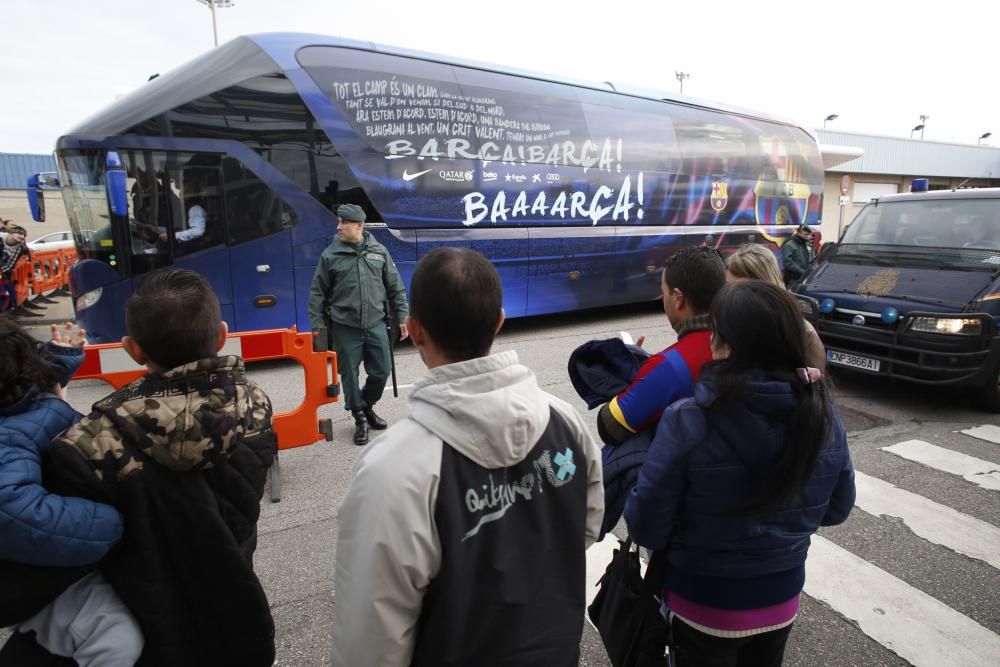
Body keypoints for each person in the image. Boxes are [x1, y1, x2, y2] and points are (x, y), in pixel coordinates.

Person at [331, 248, 604, 666]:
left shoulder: (392, 469)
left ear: (414, 330)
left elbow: (370, 641)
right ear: (499, 320)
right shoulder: (564, 421)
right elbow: (584, 527)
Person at [37, 268, 277, 666]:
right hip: (235, 606)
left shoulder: (91, 439)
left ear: (132, 349)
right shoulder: (254, 404)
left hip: (144, 626)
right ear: (221, 335)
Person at [625, 281, 856, 667]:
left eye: (716, 333)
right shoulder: (823, 414)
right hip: (781, 600)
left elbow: (646, 525)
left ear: (726, 346)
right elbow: (837, 509)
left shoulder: (689, 419)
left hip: (701, 602)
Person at [0, 320, 143, 667]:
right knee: (117, 639)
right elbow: (13, 512)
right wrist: (110, 521)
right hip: (34, 569)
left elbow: (33, 400)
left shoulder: (18, 406)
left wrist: (60, 360)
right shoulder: (8, 436)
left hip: (41, 563)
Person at [597, 246, 725, 447]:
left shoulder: (670, 365)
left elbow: (609, 426)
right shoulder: (743, 338)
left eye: (663, 291)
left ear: (678, 298)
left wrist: (634, 374)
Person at [308, 203, 409, 446]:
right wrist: (318, 327)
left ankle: (367, 405)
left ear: (360, 225)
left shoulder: (379, 251)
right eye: (339, 222)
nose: (339, 227)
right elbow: (317, 295)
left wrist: (403, 315)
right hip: (345, 326)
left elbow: (395, 286)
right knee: (349, 375)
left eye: (344, 222)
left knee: (382, 370)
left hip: (375, 323)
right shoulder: (330, 256)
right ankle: (360, 417)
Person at [725, 243, 826, 371]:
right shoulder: (726, 325)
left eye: (742, 289)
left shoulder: (802, 332)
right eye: (728, 287)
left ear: (767, 285)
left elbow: (815, 386)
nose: (731, 295)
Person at [1, 226, 29, 312]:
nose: (22, 236)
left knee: (8, 287)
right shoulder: (1, 238)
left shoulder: (19, 248)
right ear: (11, 233)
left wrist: (1, 272)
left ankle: (9, 307)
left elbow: (10, 264)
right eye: (19, 233)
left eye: (24, 235)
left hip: (3, 271)